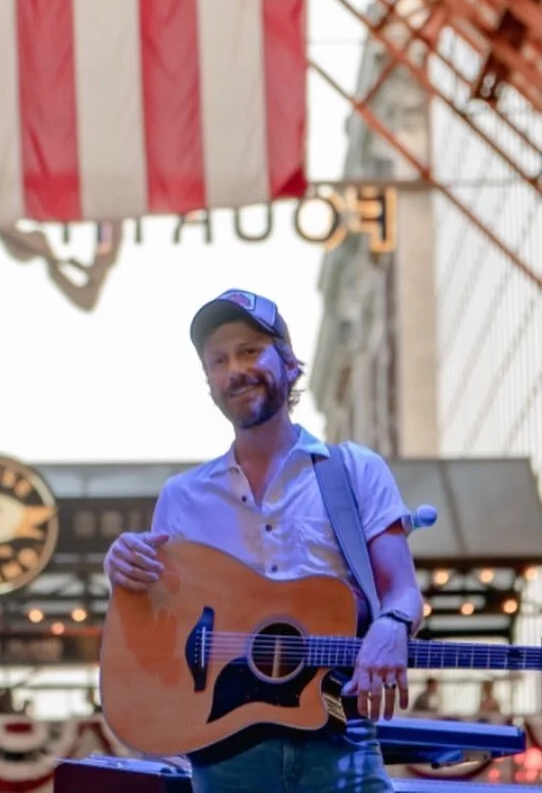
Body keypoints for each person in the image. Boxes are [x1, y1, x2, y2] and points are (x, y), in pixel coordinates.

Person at [104, 289, 424, 793]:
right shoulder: (182, 497)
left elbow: (402, 590)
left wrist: (394, 622)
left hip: (340, 741)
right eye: (219, 359)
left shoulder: (354, 471)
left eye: (250, 351)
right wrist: (123, 571)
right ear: (208, 380)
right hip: (225, 754)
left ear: (289, 362)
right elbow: (152, 628)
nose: (235, 369)